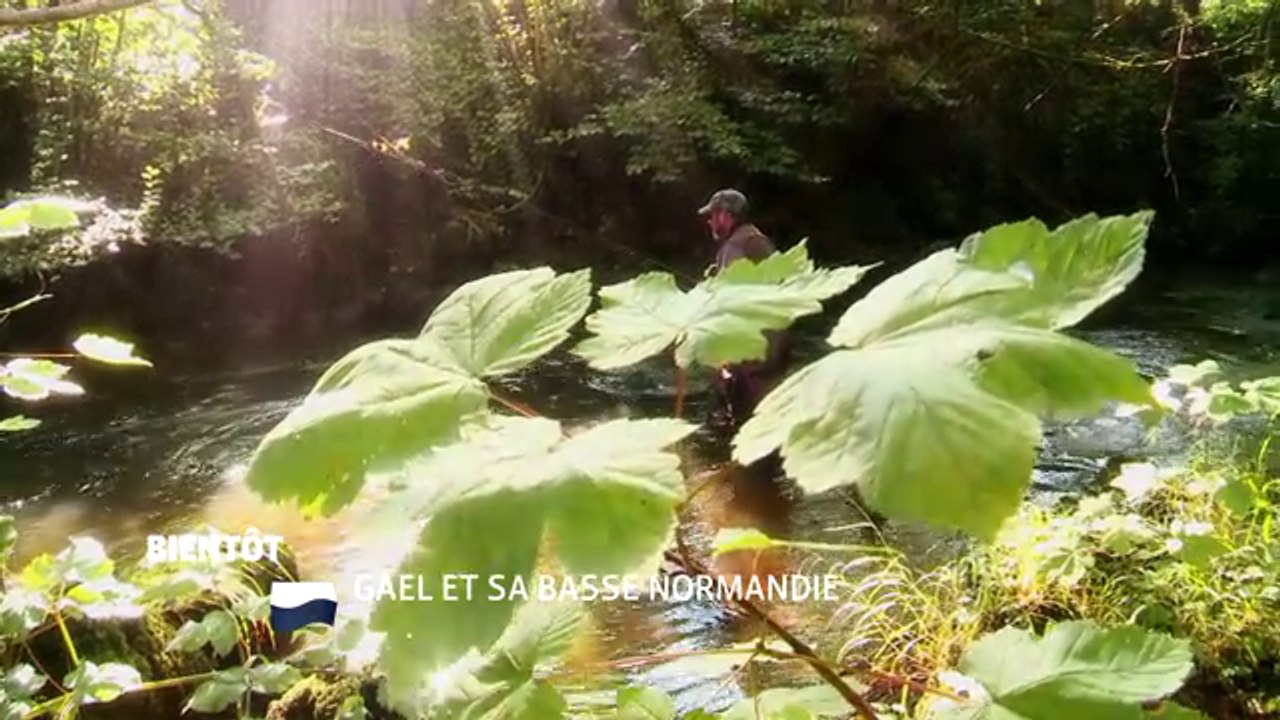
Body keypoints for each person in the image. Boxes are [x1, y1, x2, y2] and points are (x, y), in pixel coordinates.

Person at [697, 188, 791, 432]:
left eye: (712, 215)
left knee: (752, 421)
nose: (709, 221)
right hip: (770, 342)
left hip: (754, 347)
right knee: (763, 415)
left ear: (725, 215)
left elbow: (732, 300)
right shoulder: (754, 240)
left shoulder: (738, 245)